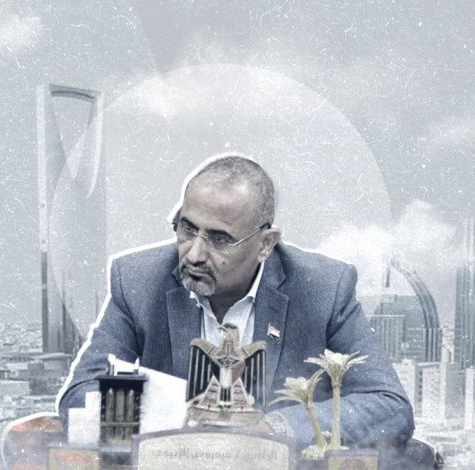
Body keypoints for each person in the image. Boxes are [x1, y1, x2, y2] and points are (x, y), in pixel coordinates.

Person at [57, 154, 414, 447]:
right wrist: (179, 420)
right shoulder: (138, 279)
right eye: (187, 228)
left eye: (219, 239)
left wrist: (274, 429)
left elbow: (390, 406)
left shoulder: (323, 287)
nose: (194, 254)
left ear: (266, 244)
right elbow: (79, 396)